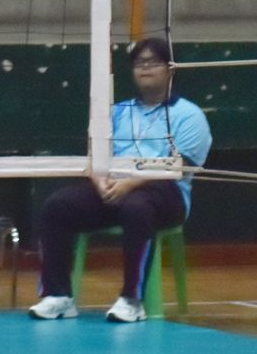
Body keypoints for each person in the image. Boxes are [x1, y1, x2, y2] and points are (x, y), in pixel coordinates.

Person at [28, 36, 213, 324]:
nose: (145, 68)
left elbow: (178, 167)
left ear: (170, 69)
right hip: (115, 189)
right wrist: (99, 180)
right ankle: (58, 296)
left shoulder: (189, 115)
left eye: (153, 62)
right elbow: (96, 155)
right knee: (58, 206)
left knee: (137, 206)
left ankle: (132, 300)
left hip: (166, 193)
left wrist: (131, 183)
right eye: (139, 63)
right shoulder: (119, 112)